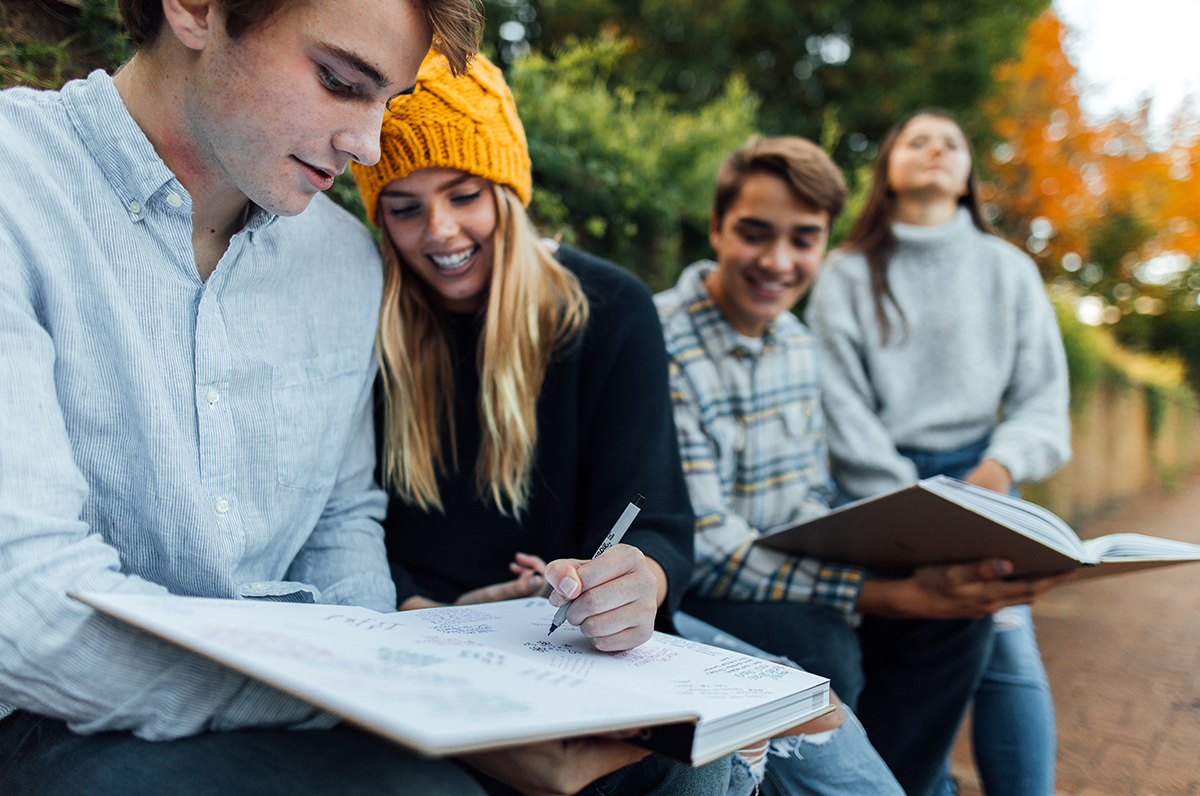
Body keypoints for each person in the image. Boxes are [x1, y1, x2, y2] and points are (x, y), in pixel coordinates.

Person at [0, 1, 654, 794]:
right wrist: (364, 684)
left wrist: (410, 655)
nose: (369, 145)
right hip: (41, 714)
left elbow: (339, 525)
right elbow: (24, 606)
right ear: (196, 11)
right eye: (341, 82)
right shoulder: (18, 186)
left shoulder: (345, 262)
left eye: (391, 104)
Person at [349, 49, 731, 795]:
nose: (440, 231)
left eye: (464, 195)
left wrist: (636, 581)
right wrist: (421, 607)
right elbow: (337, 520)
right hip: (416, 643)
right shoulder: (364, 318)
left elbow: (659, 519)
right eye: (403, 207)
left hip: (577, 655)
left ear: (507, 191)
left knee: (690, 773)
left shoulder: (611, 309)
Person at [655, 135, 1073, 796]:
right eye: (754, 234)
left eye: (803, 240)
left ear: (823, 244)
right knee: (824, 643)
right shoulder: (663, 344)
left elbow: (809, 498)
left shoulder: (796, 343)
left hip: (789, 560)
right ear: (715, 227)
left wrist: (904, 572)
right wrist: (884, 595)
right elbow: (709, 548)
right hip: (696, 590)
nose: (777, 261)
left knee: (960, 618)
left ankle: (902, 783)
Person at [806, 109, 1073, 796]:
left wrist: (995, 471)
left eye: (951, 142)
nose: (934, 150)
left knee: (1006, 646)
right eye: (916, 140)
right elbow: (839, 405)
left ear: (966, 177)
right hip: (873, 484)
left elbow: (1043, 401)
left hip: (985, 477)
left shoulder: (1009, 270)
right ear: (888, 170)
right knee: (879, 646)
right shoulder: (843, 272)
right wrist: (914, 508)